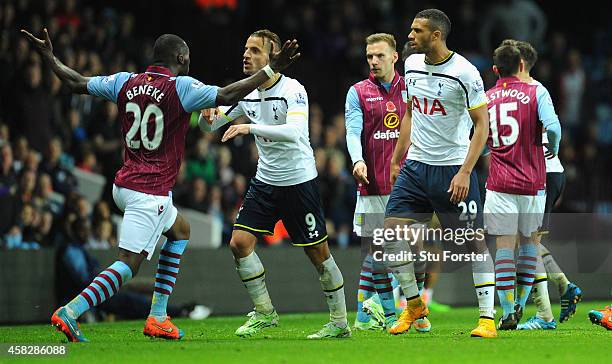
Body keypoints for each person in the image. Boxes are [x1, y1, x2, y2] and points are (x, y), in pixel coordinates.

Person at [22, 27, 299, 342]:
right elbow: (226, 95)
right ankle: (70, 311)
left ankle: (157, 316)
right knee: (128, 265)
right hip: (148, 192)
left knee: (180, 230)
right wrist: (272, 69)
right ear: (181, 58)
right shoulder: (181, 87)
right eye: (189, 58)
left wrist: (49, 57)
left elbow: (75, 82)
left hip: (124, 185)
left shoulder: (124, 81)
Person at [200, 29, 349, 339]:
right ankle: (265, 312)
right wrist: (206, 113)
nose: (246, 55)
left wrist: (247, 127)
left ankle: (339, 322)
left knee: (318, 253)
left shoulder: (293, 89)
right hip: (266, 180)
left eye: (255, 50)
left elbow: (295, 131)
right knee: (239, 243)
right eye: (246, 49)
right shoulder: (245, 92)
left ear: (272, 58)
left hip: (298, 180)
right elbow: (208, 125)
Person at [383, 9, 496, 337]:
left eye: (417, 31)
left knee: (474, 243)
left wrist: (465, 172)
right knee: (391, 233)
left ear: (436, 35)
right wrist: (396, 158)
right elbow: (409, 113)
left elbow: (482, 126)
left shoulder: (465, 72)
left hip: (453, 169)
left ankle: (487, 319)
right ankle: (414, 306)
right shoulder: (412, 64)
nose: (410, 36)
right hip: (416, 167)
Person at [345, 33, 429, 332]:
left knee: (418, 252)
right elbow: (353, 132)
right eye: (369, 56)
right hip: (371, 188)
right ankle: (391, 316)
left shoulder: (413, 86)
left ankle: (413, 309)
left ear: (395, 57)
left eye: (380, 55)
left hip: (410, 186)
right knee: (377, 255)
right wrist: (357, 159)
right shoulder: (358, 92)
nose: (374, 61)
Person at [497, 40, 582, 330]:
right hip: (547, 171)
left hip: (539, 172)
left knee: (526, 243)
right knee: (529, 242)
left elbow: (552, 130)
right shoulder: (533, 89)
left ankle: (544, 314)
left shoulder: (527, 91)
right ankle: (562, 285)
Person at [484, 44, 561, 330]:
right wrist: (551, 148)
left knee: (504, 245)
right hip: (532, 181)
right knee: (529, 244)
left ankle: (506, 311)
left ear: (495, 70)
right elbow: (553, 127)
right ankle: (520, 304)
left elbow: (480, 145)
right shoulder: (536, 91)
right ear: (520, 65)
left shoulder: (487, 97)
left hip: (499, 182)